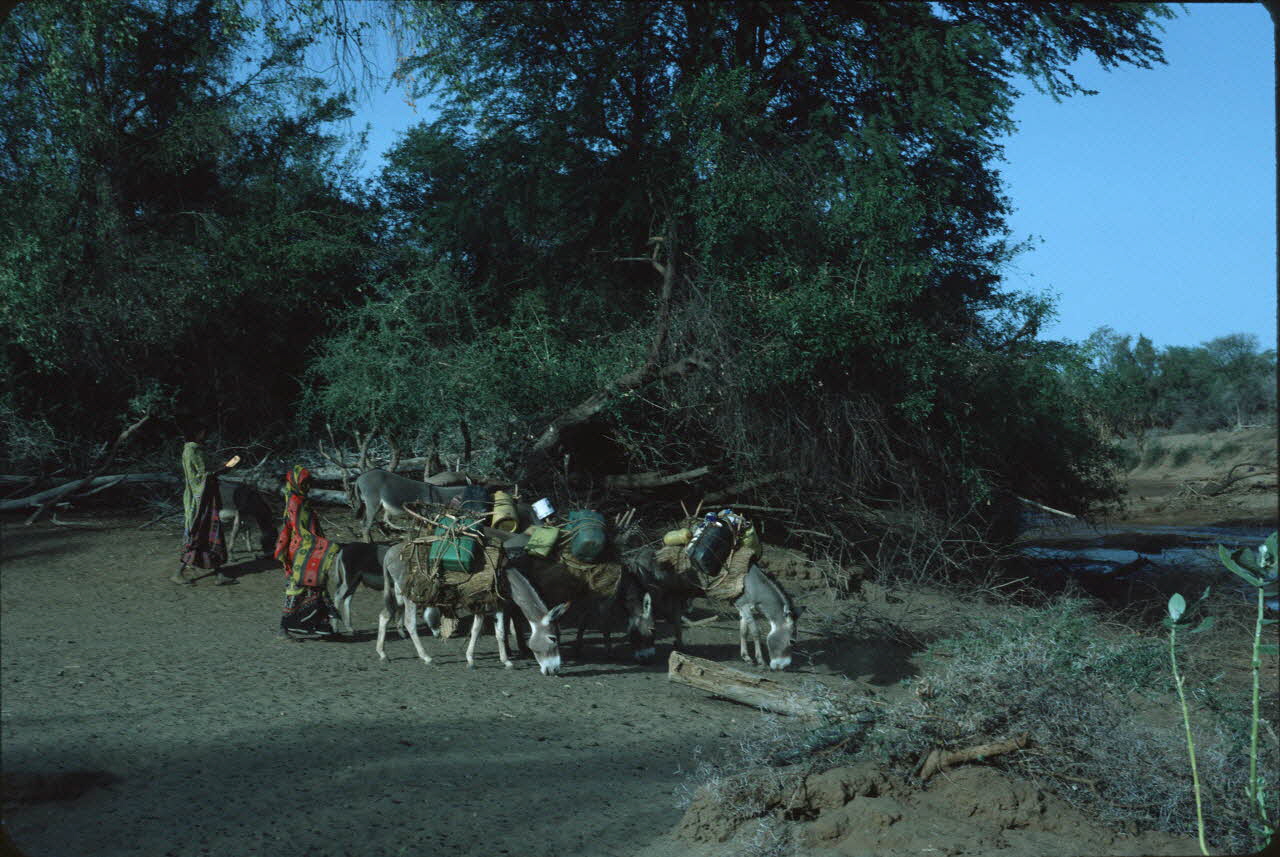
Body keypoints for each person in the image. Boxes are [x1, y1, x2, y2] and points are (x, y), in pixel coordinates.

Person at [274, 465, 341, 640]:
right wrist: (324, 544)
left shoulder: (299, 499)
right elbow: (300, 529)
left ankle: (321, 627)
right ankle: (284, 627)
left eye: (308, 482)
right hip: (300, 550)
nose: (307, 486)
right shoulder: (296, 502)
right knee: (297, 587)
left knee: (316, 585)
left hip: (306, 547)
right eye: (304, 483)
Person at [171, 427, 241, 586]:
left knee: (212, 534)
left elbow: (206, 472)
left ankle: (219, 573)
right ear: (194, 433)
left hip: (208, 499)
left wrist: (221, 469)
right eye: (202, 431)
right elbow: (199, 478)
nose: (205, 434)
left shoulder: (197, 451)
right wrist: (223, 469)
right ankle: (178, 572)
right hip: (201, 501)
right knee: (198, 535)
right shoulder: (191, 452)